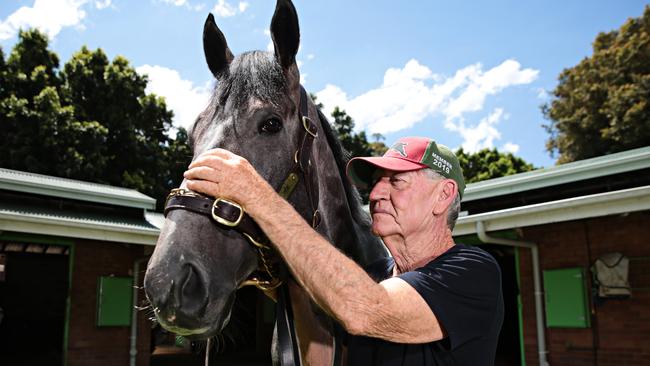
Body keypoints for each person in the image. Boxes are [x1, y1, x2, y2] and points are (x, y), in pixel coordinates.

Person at [184, 136, 504, 365]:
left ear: (443, 196)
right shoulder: (373, 276)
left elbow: (367, 311)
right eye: (376, 182)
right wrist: (293, 284)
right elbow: (324, 359)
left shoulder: (472, 270)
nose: (375, 193)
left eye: (396, 182)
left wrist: (259, 196)